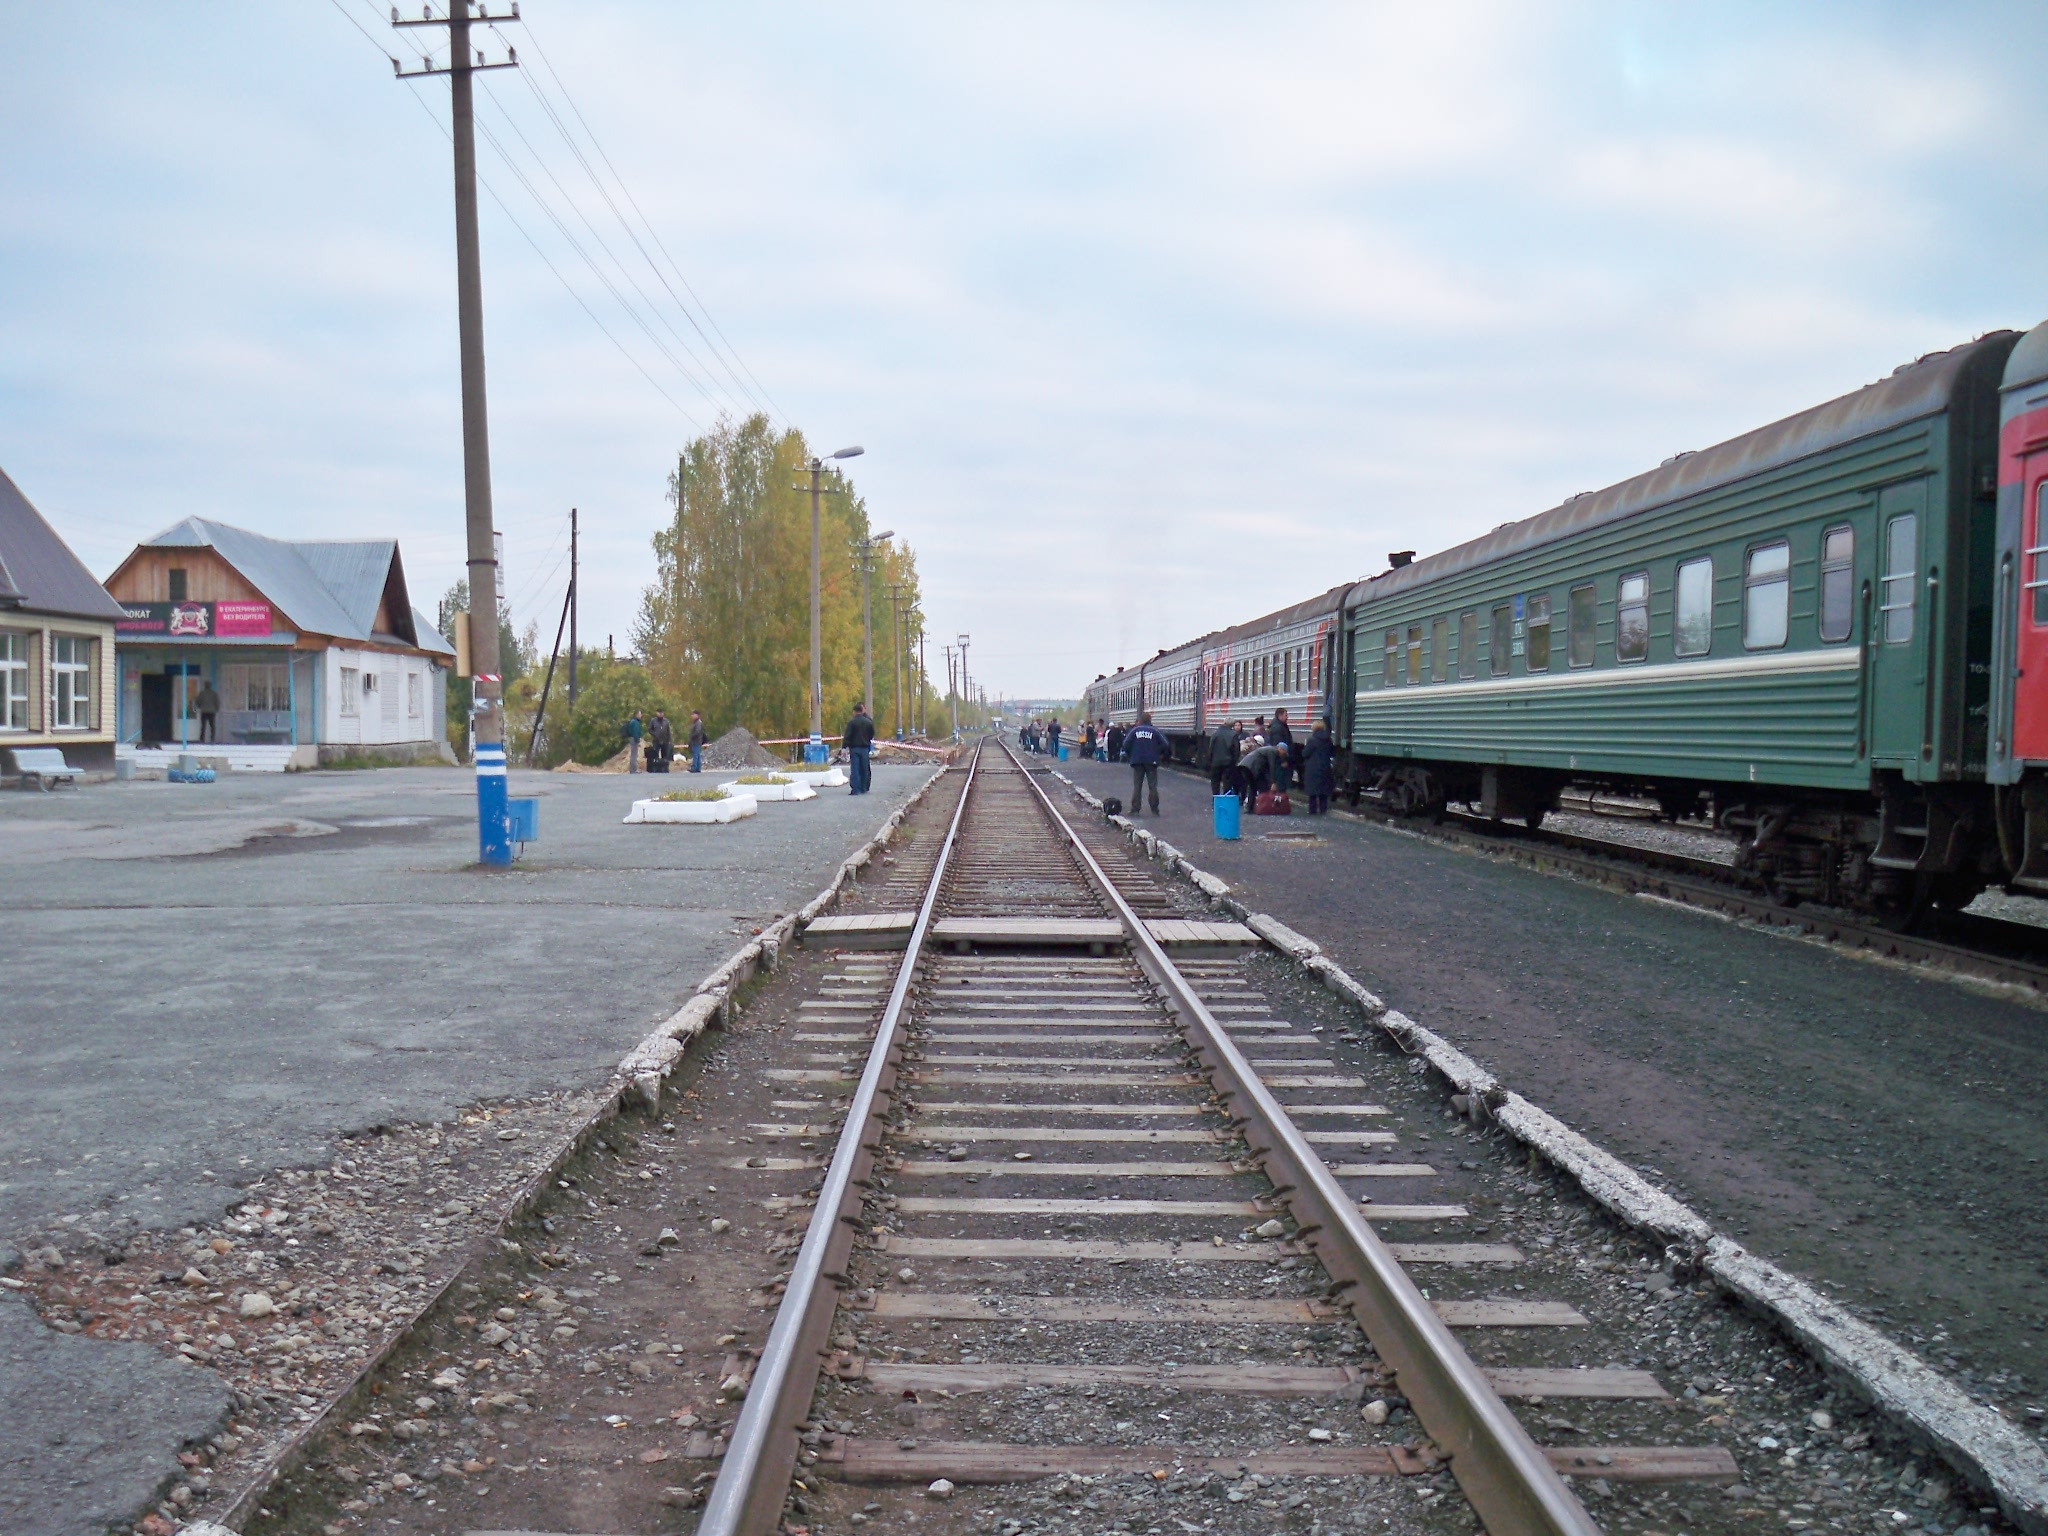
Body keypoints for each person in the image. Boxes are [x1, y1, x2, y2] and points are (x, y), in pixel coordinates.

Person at [1125, 710, 1166, 816]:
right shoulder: (1155, 731)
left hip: (1137, 761)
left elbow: (1125, 744)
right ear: (1150, 720)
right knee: (1152, 786)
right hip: (1151, 761)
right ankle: (1154, 809)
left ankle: (1135, 809)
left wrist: (1131, 755)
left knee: (1137, 786)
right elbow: (1165, 744)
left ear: (1140, 720)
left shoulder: (1135, 730)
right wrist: (1159, 754)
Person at [1301, 716, 1336, 815]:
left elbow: (1305, 753)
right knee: (1323, 792)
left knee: (1312, 792)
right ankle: (1323, 810)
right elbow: (1332, 753)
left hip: (1313, 768)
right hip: (1325, 767)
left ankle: (1312, 810)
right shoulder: (1328, 740)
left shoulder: (1312, 740)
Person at [844, 701, 876, 795]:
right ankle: (863, 787)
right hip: (865, 748)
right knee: (864, 768)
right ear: (862, 711)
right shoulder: (868, 722)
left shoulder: (851, 722)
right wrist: (867, 741)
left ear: (854, 711)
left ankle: (855, 789)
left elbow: (848, 736)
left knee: (855, 769)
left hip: (854, 748)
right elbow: (871, 734)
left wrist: (844, 747)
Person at [1205, 716, 1241, 796]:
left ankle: (1216, 799)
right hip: (1228, 763)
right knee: (1227, 785)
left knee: (1215, 783)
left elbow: (1211, 749)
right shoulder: (1234, 735)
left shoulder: (1215, 733)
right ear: (1232, 725)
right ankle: (1225, 800)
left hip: (1216, 762)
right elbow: (1236, 751)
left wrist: (1210, 761)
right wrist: (1234, 762)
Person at [1268, 708, 1295, 793]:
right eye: (1285, 715)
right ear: (1280, 716)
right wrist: (1283, 760)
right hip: (1279, 761)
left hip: (1279, 759)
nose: (1287, 717)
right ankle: (1279, 800)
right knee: (1281, 783)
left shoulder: (1280, 726)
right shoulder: (1278, 728)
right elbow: (1279, 747)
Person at [194, 679, 221, 743]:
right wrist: (217, 709)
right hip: (212, 711)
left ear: (205, 686)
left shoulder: (202, 693)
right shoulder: (214, 693)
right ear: (210, 686)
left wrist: (198, 707)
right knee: (212, 726)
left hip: (204, 711)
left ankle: (202, 739)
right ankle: (212, 739)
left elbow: (197, 701)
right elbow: (217, 702)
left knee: (203, 726)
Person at [623, 709, 644, 773]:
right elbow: (635, 732)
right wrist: (638, 741)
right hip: (634, 739)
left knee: (633, 754)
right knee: (634, 755)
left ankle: (632, 769)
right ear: (636, 715)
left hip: (631, 738)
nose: (641, 716)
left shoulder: (632, 721)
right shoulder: (635, 722)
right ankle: (633, 769)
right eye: (640, 714)